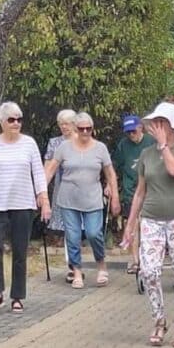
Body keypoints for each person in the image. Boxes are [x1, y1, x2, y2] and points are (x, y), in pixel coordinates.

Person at [122, 102, 174, 348]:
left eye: (160, 122)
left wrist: (164, 146)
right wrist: (131, 225)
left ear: (172, 126)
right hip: (152, 218)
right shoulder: (146, 154)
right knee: (149, 271)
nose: (155, 126)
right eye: (154, 122)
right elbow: (140, 192)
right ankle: (159, 320)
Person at [0, 101, 51, 314]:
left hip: (23, 204)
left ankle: (17, 296)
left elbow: (38, 173)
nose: (16, 123)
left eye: (19, 119)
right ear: (2, 122)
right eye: (11, 120)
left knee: (19, 250)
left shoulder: (29, 144)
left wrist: (44, 199)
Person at [44, 113, 120, 288]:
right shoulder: (64, 147)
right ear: (76, 129)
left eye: (89, 128)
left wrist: (114, 196)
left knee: (94, 233)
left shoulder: (100, 148)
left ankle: (101, 264)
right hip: (68, 199)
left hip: (92, 199)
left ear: (92, 129)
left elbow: (110, 173)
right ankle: (76, 271)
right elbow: (50, 170)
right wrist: (41, 194)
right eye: (81, 128)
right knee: (73, 236)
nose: (85, 131)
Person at [113, 114, 154, 274]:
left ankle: (148, 259)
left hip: (151, 192)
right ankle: (135, 261)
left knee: (148, 227)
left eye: (133, 132)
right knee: (133, 225)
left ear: (140, 128)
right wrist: (110, 186)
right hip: (131, 191)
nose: (131, 135)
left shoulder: (151, 142)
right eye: (128, 132)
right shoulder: (123, 145)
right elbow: (115, 165)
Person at [44, 109, 77, 282]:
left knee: (77, 228)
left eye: (67, 123)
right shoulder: (55, 143)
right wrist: (41, 193)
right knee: (68, 228)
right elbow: (48, 168)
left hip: (81, 191)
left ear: (74, 124)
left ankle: (75, 263)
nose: (64, 127)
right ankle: (72, 266)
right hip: (62, 191)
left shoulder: (82, 140)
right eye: (61, 124)